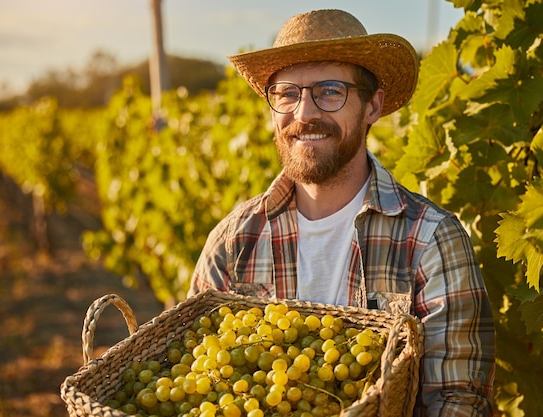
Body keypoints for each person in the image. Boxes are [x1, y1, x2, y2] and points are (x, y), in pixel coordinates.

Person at [189, 9, 495, 416]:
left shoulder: (432, 241)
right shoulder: (233, 241)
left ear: (372, 106)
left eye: (330, 91)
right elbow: (192, 373)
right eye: (286, 93)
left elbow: (460, 401)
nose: (304, 113)